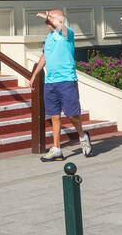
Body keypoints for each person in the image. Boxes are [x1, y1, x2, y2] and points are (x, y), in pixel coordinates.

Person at [29, 9, 93, 161]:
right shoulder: (50, 37)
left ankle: (83, 137)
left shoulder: (67, 33)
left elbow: (61, 26)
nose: (46, 23)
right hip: (51, 82)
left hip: (66, 80)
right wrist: (34, 75)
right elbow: (44, 56)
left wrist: (48, 16)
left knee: (72, 114)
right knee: (54, 116)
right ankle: (56, 148)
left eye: (49, 20)